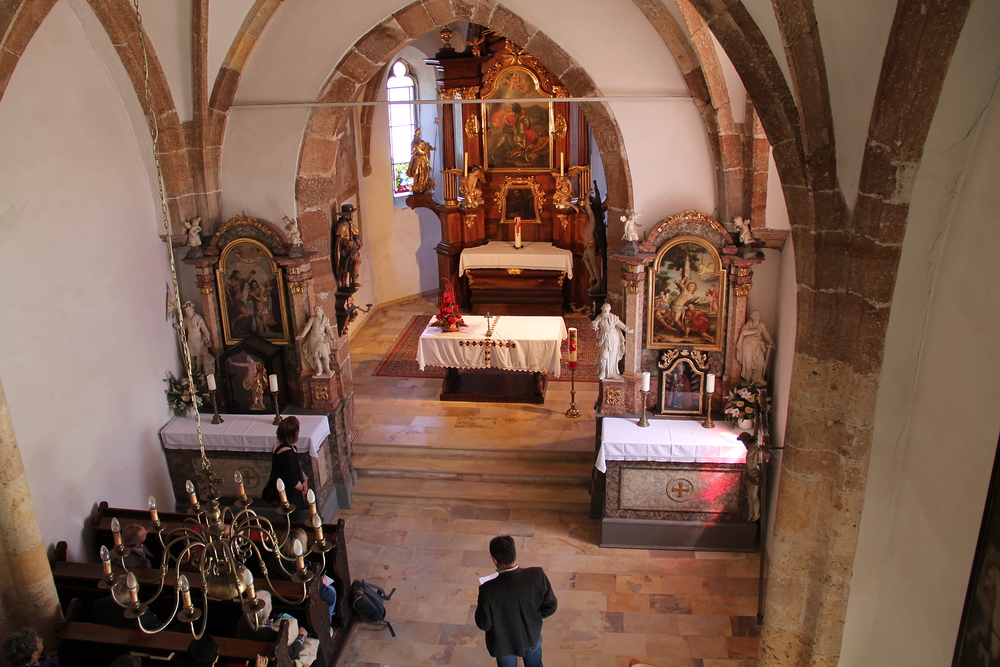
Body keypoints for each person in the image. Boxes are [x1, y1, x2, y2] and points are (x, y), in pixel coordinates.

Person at [475, 535, 557, 667]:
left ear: (495, 560)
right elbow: (550, 606)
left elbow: (484, 624)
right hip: (531, 635)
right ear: (514, 553)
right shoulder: (537, 575)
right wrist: (532, 617)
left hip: (503, 645)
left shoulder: (487, 590)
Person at [262, 416, 308, 519]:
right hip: (290, 494)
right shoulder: (287, 455)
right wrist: (302, 487)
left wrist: (305, 479)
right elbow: (292, 478)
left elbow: (297, 466)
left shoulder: (280, 445)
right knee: (294, 518)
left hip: (289, 491)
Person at [591, 302, 632, 381]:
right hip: (604, 338)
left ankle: (612, 373)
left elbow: (620, 324)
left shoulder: (613, 317)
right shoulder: (599, 317)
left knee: (613, 356)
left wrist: (627, 329)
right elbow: (594, 324)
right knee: (603, 355)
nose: (605, 312)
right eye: (603, 310)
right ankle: (603, 372)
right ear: (602, 310)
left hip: (613, 338)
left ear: (609, 310)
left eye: (606, 311)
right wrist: (593, 325)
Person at [296, 305, 337, 377]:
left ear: (321, 311)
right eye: (315, 311)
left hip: (322, 339)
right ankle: (319, 370)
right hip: (313, 339)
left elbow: (329, 329)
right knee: (315, 356)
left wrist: (332, 337)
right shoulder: (312, 319)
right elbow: (307, 327)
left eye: (318, 310)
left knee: (325, 355)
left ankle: (327, 369)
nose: (316, 312)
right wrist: (302, 335)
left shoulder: (325, 319)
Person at [736, 309, 773, 384]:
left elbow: (766, 334)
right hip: (748, 344)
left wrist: (771, 341)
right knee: (748, 361)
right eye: (755, 315)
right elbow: (744, 332)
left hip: (758, 344)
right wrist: (754, 331)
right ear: (752, 317)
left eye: (758, 315)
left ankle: (759, 378)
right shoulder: (749, 324)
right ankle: (749, 378)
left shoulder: (762, 325)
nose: (757, 317)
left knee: (760, 361)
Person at [178, 301, 214, 375]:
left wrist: (207, 335)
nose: (188, 313)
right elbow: (183, 327)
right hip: (190, 339)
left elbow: (203, 327)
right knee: (191, 354)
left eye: (189, 311)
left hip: (198, 339)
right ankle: (192, 368)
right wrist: (178, 327)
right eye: (186, 312)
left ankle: (199, 369)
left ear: (192, 310)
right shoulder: (186, 319)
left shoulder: (197, 317)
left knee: (198, 354)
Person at [406, 128, 434, 194]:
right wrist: (425, 149)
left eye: (418, 136)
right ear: (414, 136)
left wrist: (430, 148)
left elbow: (426, 146)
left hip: (423, 161)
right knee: (416, 174)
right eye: (416, 136)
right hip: (417, 161)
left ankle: (423, 186)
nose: (417, 137)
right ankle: (416, 187)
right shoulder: (413, 144)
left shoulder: (421, 141)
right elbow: (418, 151)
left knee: (423, 174)